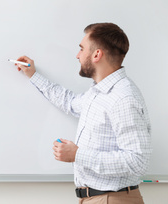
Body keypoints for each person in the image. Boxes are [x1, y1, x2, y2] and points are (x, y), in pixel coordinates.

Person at [15, 23, 152, 204]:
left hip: (112, 199)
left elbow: (137, 160)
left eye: (81, 49)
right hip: (98, 198)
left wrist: (77, 154)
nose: (77, 55)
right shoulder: (99, 93)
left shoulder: (123, 98)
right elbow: (69, 102)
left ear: (97, 54)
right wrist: (33, 74)